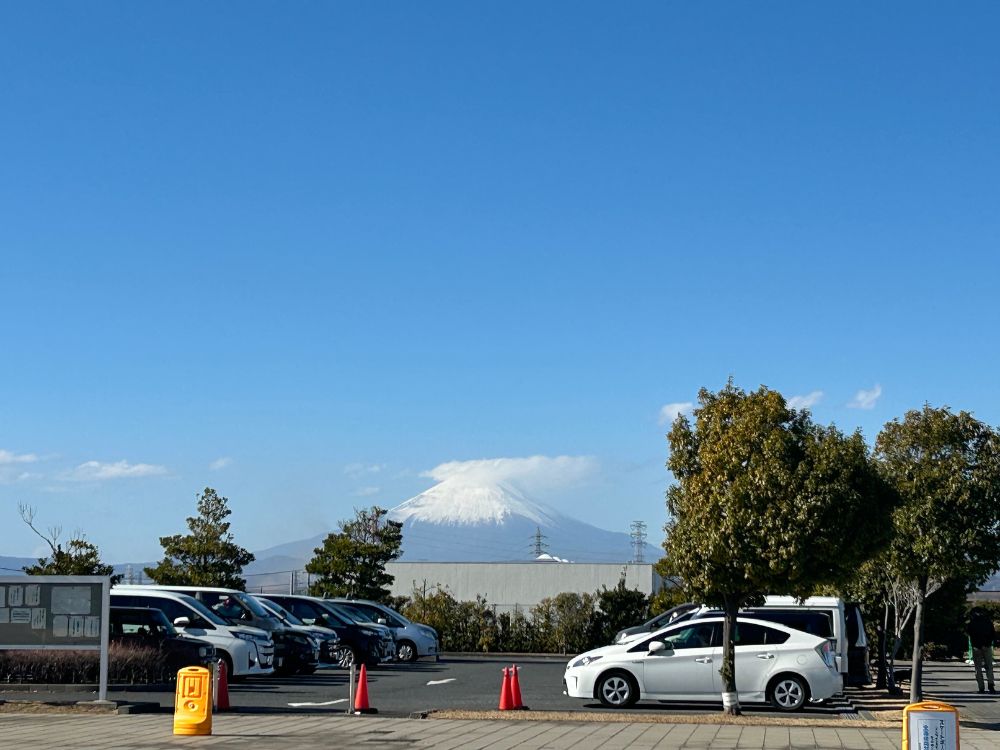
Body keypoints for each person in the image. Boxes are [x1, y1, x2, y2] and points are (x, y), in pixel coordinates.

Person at [966, 607, 997, 694]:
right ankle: (991, 685)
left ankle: (981, 687)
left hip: (976, 647)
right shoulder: (988, 622)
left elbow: (969, 633)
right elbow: (993, 634)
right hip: (987, 646)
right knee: (989, 666)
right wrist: (988, 642)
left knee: (978, 668)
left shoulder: (971, 623)